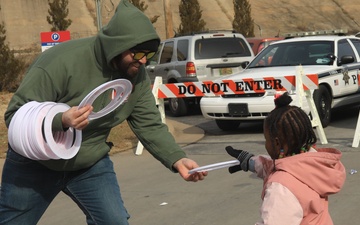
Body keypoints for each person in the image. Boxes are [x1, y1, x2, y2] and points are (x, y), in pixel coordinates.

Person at [0, 0, 207, 224]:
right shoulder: (61, 62)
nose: (144, 61)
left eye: (149, 54)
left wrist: (177, 159)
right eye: (137, 54)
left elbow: (149, 124)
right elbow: (15, 115)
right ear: (117, 46)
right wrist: (61, 120)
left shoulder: (134, 74)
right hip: (35, 163)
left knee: (114, 221)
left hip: (89, 162)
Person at [225, 92, 346, 225]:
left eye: (266, 139)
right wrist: (250, 162)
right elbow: (285, 168)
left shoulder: (280, 188)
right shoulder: (313, 165)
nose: (266, 144)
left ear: (276, 143)